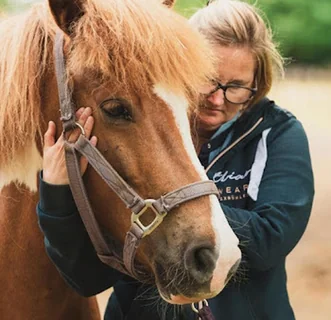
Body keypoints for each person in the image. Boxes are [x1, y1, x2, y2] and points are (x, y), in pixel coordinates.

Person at [37, 0, 314, 319]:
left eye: (236, 87)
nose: (216, 99)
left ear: (256, 85)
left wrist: (173, 206)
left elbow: (271, 237)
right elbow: (87, 279)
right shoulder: (143, 132)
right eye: (208, 78)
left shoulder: (278, 133)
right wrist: (55, 191)